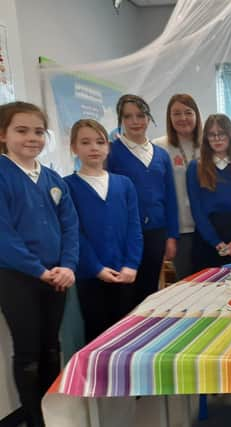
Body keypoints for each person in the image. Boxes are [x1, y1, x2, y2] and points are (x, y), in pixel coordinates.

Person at [0, 101, 79, 427]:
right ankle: (34, 420)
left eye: (37, 131)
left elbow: (70, 226)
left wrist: (68, 266)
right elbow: (4, 236)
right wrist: (40, 270)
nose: (31, 138)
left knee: (51, 347)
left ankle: (52, 412)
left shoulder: (52, 178)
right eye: (21, 130)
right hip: (19, 278)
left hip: (57, 277)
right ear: (3, 135)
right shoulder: (4, 176)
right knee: (29, 351)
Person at [65, 119, 143, 342]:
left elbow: (134, 228)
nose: (94, 148)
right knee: (97, 333)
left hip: (125, 273)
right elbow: (74, 233)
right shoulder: (67, 185)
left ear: (108, 147)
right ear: (74, 147)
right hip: (90, 274)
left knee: (126, 334)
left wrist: (131, 264)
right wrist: (96, 268)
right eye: (85, 142)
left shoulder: (124, 184)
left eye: (100, 142)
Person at [107, 94, 179, 306]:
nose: (135, 121)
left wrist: (172, 236)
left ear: (148, 118)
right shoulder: (112, 153)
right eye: (128, 116)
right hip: (126, 235)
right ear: (121, 120)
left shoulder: (161, 155)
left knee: (149, 292)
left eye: (140, 115)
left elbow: (170, 198)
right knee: (126, 293)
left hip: (156, 233)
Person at [186, 114, 231, 269]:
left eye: (222, 133)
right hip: (208, 237)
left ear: (230, 136)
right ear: (206, 139)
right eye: (212, 134)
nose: (217, 139)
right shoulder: (195, 168)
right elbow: (197, 210)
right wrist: (216, 242)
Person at [153, 94, 202, 279]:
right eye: (176, 113)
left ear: (197, 115)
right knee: (187, 283)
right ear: (169, 118)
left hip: (208, 227)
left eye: (188, 112)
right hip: (180, 228)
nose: (183, 118)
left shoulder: (207, 144)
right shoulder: (159, 147)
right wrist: (168, 235)